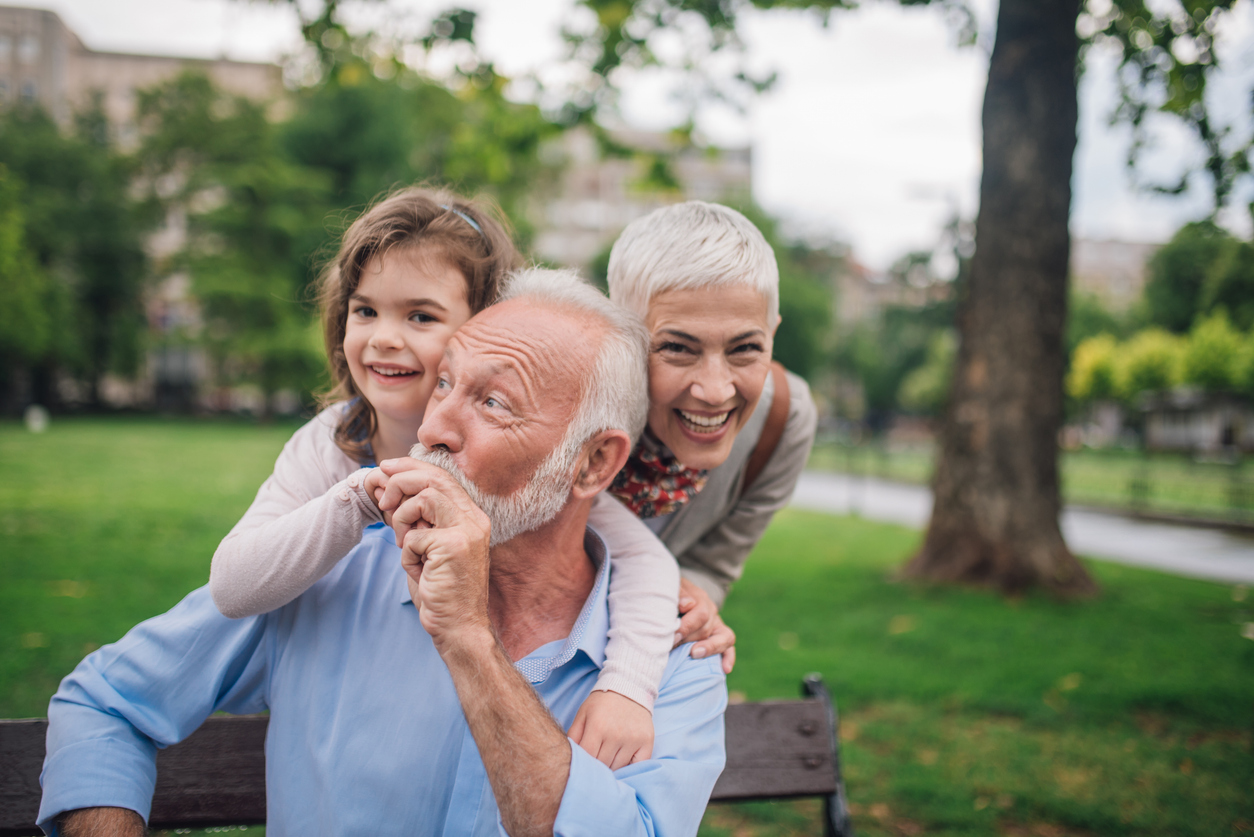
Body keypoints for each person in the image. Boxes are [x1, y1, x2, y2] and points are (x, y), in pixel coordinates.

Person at [38, 269, 728, 837]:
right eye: (446, 383)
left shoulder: (675, 661)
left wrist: (467, 640)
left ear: (592, 463)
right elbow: (108, 702)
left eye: (492, 401)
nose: (433, 427)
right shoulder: (325, 571)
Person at [207, 187, 680, 767]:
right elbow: (231, 587)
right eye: (365, 310)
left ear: (484, 325)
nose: (383, 336)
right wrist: (359, 497)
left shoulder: (531, 474)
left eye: (420, 316)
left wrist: (627, 686)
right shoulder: (335, 441)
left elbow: (644, 561)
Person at [605, 201, 820, 673]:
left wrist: (692, 595)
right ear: (620, 340)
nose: (715, 390)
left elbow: (715, 564)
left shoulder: (783, 421)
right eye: (678, 348)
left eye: (745, 348)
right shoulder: (562, 413)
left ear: (773, 335)